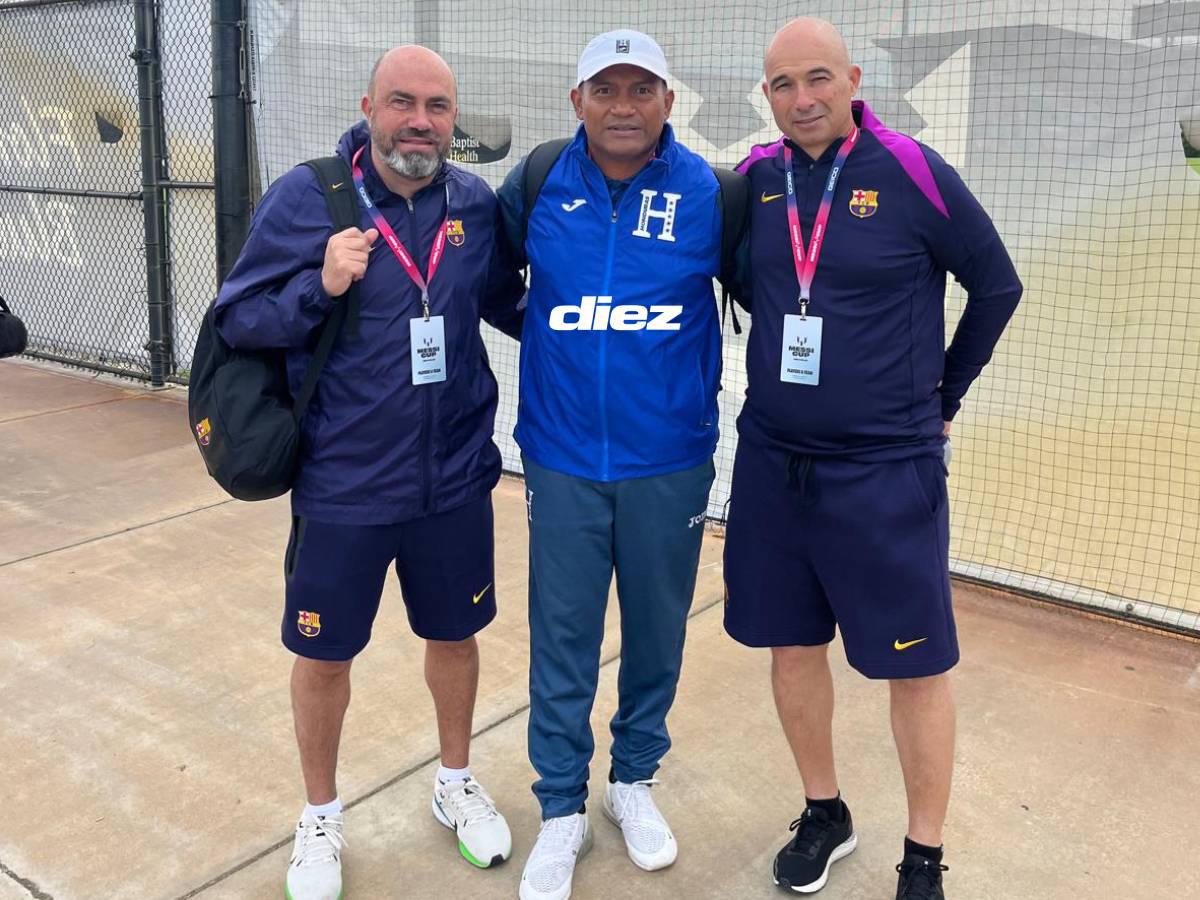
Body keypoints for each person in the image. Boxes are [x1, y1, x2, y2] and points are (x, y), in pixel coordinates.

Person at [213, 45, 525, 900]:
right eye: (402, 103)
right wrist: (318, 285)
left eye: (437, 106)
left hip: (453, 479)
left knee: (455, 638)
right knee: (323, 656)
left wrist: (600, 338)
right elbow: (237, 319)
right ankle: (320, 815)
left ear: (453, 120)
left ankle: (454, 780)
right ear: (368, 108)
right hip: (343, 486)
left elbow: (509, 303)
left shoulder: (473, 204)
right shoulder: (310, 198)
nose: (419, 122)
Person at [724, 17, 1022, 900]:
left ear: (853, 80)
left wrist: (943, 400)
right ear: (767, 94)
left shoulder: (914, 171)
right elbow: (751, 283)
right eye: (783, 84)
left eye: (818, 78)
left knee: (915, 667)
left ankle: (923, 855)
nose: (802, 99)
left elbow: (996, 284)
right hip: (774, 463)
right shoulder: (755, 181)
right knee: (790, 648)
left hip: (887, 471)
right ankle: (825, 812)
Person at [495, 29, 742, 900]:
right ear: (578, 101)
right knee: (562, 638)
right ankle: (561, 807)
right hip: (561, 457)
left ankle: (632, 780)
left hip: (668, 459)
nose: (624, 106)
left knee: (656, 631)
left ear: (669, 101)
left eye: (642, 89)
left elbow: (773, 291)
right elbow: (487, 281)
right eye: (606, 89)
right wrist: (556, 336)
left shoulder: (713, 194)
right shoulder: (539, 181)